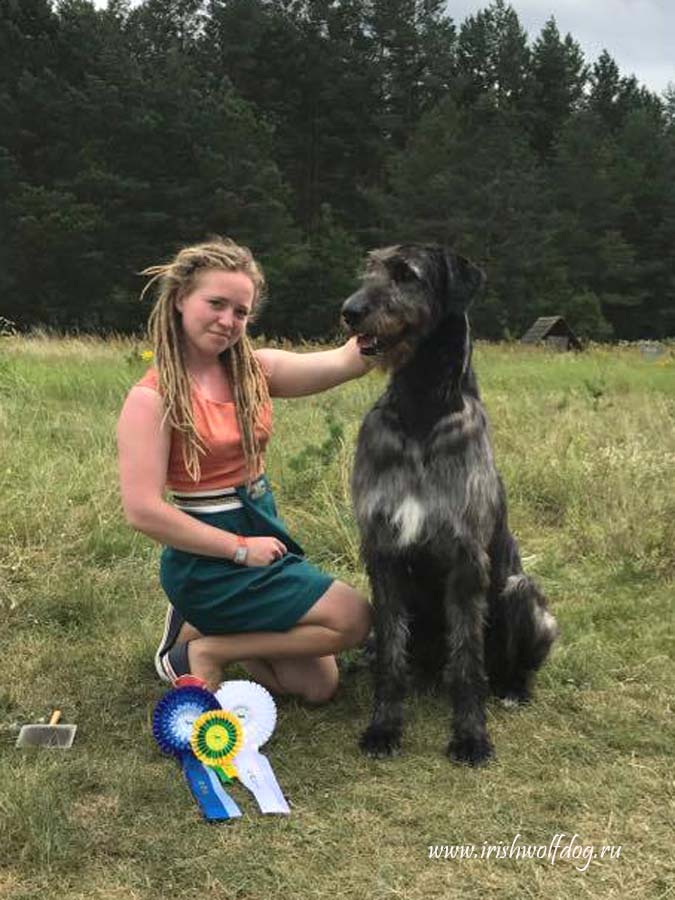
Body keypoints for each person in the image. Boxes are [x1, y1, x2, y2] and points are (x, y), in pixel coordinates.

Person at [117, 237, 373, 701]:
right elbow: (142, 511)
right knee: (352, 618)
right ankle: (208, 650)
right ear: (180, 299)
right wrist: (238, 549)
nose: (227, 321)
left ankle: (204, 639)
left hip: (260, 528)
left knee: (316, 686)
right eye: (216, 304)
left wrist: (399, 317)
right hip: (208, 558)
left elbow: (346, 361)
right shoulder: (151, 398)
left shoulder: (257, 371)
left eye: (240, 312)